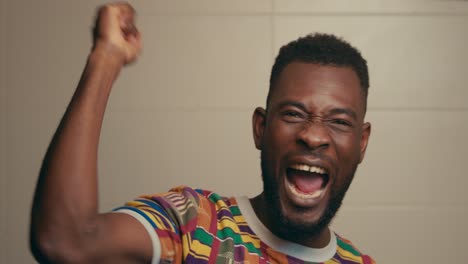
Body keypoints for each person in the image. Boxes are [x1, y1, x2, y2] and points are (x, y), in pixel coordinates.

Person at [30, 2, 375, 263]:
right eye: (293, 114)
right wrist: (105, 59)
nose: (313, 136)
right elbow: (66, 240)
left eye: (339, 121)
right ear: (260, 128)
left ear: (361, 143)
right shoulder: (194, 222)